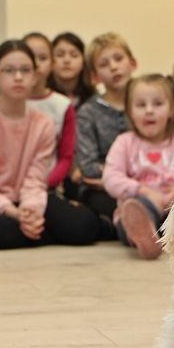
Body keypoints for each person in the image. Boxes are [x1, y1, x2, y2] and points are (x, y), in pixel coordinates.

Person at [0, 39, 99, 249]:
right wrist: (14, 213)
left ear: (35, 76)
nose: (18, 77)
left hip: (32, 198)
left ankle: (35, 229)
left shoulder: (43, 123)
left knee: (84, 226)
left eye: (25, 70)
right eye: (9, 70)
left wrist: (30, 211)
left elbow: (36, 179)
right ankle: (43, 233)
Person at [103, 74, 174, 260]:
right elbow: (111, 177)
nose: (149, 111)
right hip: (141, 203)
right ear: (129, 111)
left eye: (157, 104)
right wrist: (142, 189)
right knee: (134, 210)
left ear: (171, 110)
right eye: (141, 105)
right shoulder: (124, 142)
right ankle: (144, 234)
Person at [75, 32, 138, 236]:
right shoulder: (88, 112)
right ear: (94, 76)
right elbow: (88, 165)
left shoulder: (147, 103)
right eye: (104, 64)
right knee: (123, 205)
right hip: (103, 187)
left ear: (133, 63)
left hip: (148, 179)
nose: (113, 66)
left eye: (118, 59)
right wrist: (118, 177)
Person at [24, 32, 75, 189]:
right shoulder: (8, 103)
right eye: (30, 57)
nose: (36, 64)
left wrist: (45, 184)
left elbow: (66, 157)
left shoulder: (63, 105)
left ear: (52, 64)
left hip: (48, 186)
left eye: (43, 58)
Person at [48, 32, 94, 108]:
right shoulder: (43, 96)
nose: (67, 60)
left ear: (83, 62)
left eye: (74, 55)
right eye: (60, 55)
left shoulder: (92, 98)